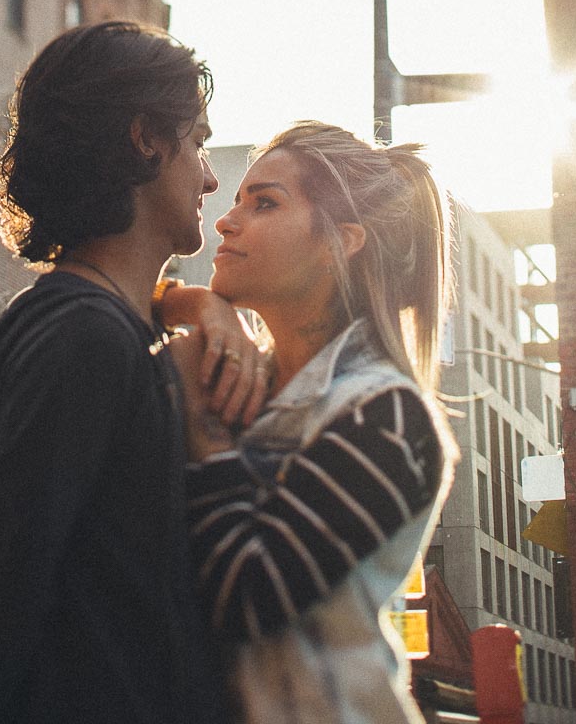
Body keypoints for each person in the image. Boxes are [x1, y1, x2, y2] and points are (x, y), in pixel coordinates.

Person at [0, 21, 264, 724]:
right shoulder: (81, 336)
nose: (210, 177)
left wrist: (198, 302)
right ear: (147, 137)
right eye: (199, 141)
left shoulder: (107, 325)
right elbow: (0, 590)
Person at [160, 120, 460, 724]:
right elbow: (118, 301)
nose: (225, 219)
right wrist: (197, 304)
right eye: (239, 199)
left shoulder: (387, 415)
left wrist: (205, 432)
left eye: (265, 203)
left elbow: (246, 598)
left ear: (342, 242)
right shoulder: (247, 378)